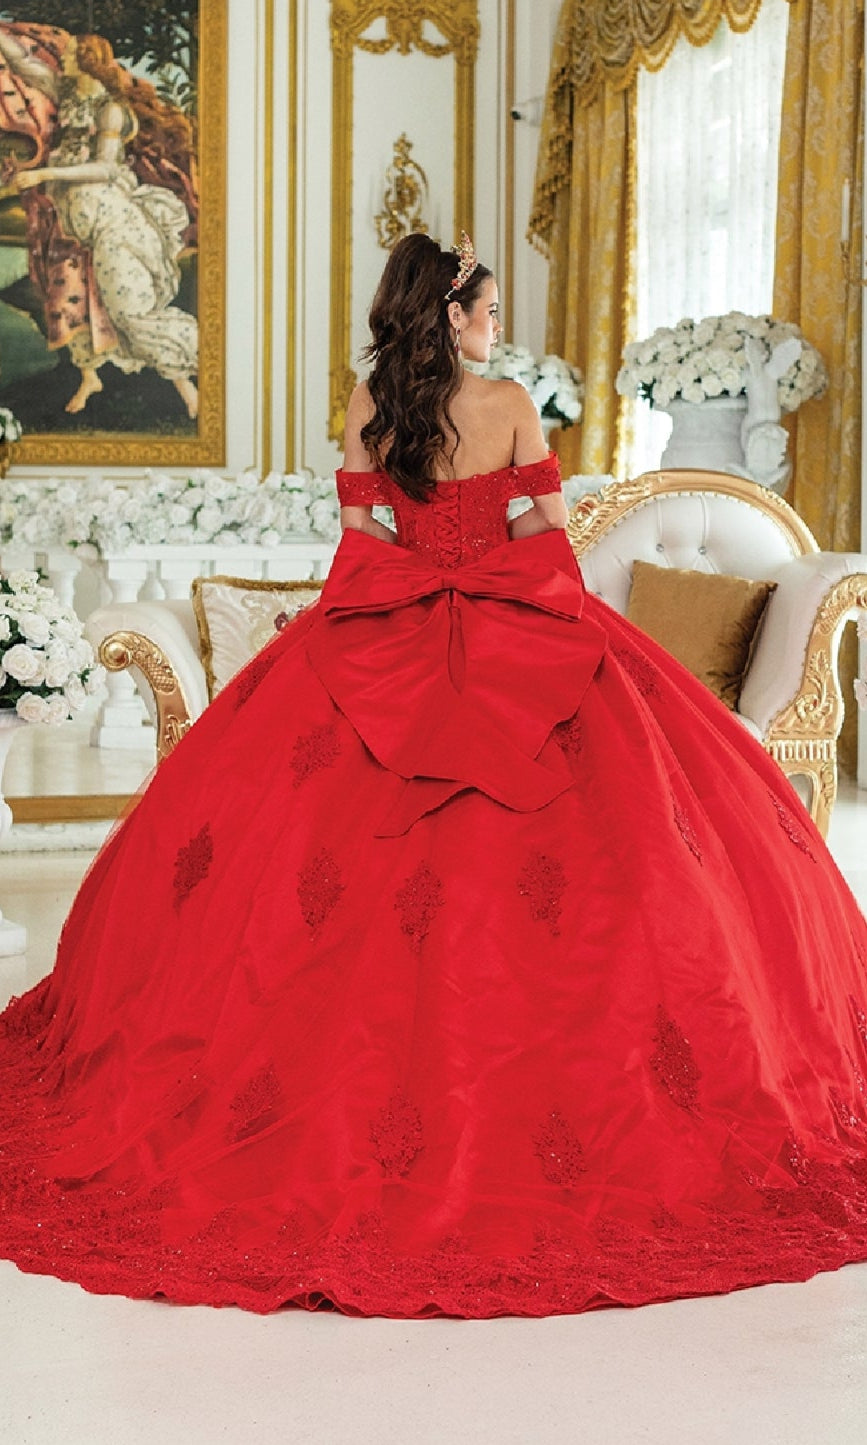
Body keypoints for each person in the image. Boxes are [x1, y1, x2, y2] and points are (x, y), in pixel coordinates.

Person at [2, 232, 867, 1319]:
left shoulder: (368, 401)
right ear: (453, 314)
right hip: (519, 630)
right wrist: (498, 585)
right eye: (489, 310)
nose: (497, 328)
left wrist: (419, 586)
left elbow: (360, 542)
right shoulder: (506, 403)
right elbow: (545, 535)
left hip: (379, 631)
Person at [0, 25, 198, 418]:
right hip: (71, 220)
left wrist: (43, 176)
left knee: (128, 308)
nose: (63, 56)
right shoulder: (69, 93)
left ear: (88, 62)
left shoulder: (110, 108)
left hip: (109, 218)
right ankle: (90, 375)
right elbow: (23, 64)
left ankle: (188, 385)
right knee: (66, 298)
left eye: (72, 54)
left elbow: (106, 169)